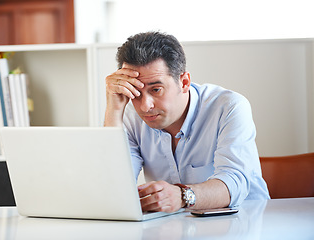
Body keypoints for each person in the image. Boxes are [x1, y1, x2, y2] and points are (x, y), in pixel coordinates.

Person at [104, 31, 270, 213]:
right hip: (177, 228)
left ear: (184, 82)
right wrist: (114, 110)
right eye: (136, 92)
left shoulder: (229, 107)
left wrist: (182, 196)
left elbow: (234, 183)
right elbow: (113, 185)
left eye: (156, 89)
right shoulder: (131, 116)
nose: (145, 106)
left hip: (246, 223)